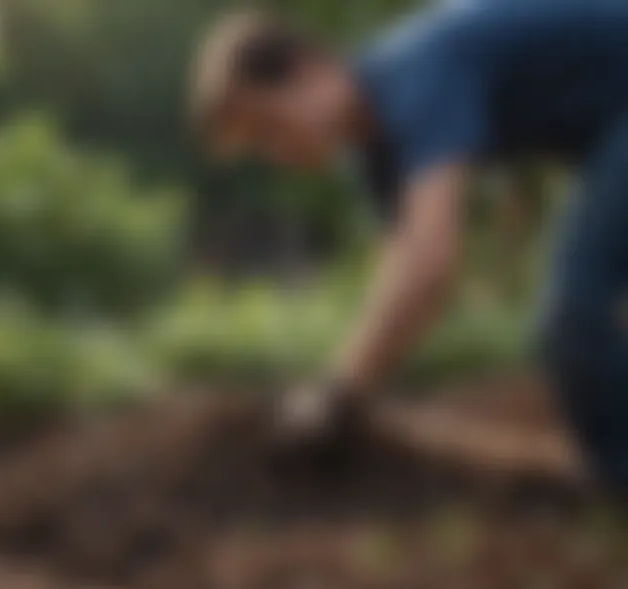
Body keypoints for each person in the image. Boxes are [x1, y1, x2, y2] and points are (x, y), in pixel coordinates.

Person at [189, 2, 628, 487]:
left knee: (574, 314)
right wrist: (355, 387)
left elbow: (430, 265)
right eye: (260, 147)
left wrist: (337, 393)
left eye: (270, 126)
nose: (278, 153)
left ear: (308, 68)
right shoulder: (374, 153)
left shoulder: (415, 77)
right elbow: (400, 278)